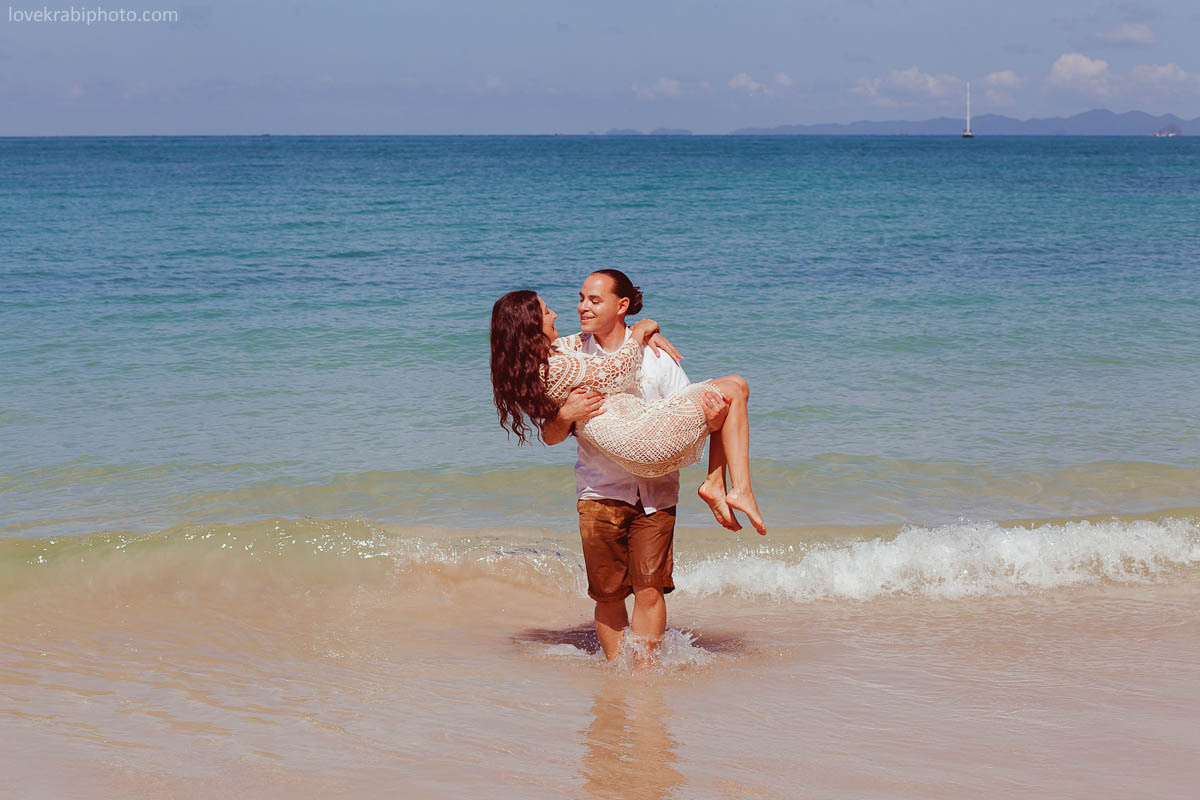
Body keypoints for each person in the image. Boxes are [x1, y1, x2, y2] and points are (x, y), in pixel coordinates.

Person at [489, 270, 766, 661]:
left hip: (656, 490)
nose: (580, 307)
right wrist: (566, 414)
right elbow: (551, 435)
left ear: (621, 307)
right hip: (600, 489)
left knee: (651, 588)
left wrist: (646, 334)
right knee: (608, 594)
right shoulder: (571, 356)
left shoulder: (655, 358)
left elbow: (693, 414)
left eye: (593, 300)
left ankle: (643, 673)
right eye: (579, 299)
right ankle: (617, 678)